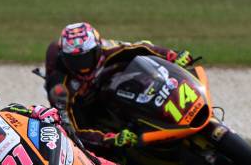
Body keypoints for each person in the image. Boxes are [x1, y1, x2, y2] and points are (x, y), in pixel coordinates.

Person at [44, 22, 194, 150]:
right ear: (65, 59)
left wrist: (171, 55)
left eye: (87, 58)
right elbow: (70, 130)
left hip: (103, 83)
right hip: (82, 105)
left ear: (97, 48)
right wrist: (110, 139)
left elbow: (140, 47)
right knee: (85, 148)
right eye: (76, 61)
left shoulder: (107, 48)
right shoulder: (59, 88)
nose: (83, 67)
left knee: (132, 69)